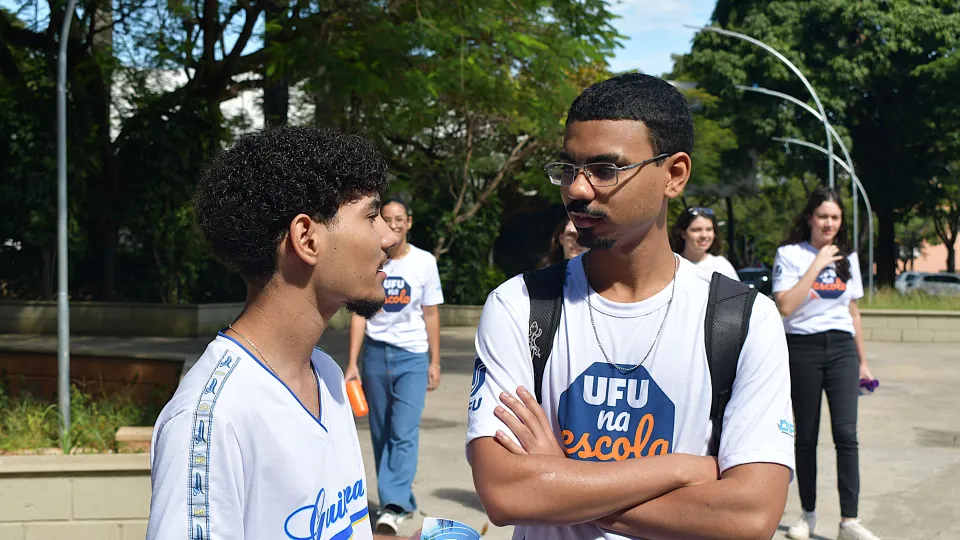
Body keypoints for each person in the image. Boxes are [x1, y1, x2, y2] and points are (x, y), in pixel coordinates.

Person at [465, 73, 795, 540]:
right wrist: (679, 469)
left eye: (605, 170)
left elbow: (749, 516)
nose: (577, 190)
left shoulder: (740, 320)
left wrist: (561, 481)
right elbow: (507, 494)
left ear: (674, 175)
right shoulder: (520, 305)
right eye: (569, 167)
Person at [146, 126, 419, 540]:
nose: (388, 236)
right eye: (371, 215)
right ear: (307, 238)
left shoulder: (326, 376)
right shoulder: (212, 419)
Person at [774, 186, 880, 540]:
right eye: (823, 216)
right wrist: (818, 264)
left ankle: (850, 521)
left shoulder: (847, 258)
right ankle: (808, 514)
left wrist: (863, 362)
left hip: (841, 350)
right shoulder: (790, 254)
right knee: (805, 437)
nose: (829, 223)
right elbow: (786, 306)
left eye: (835, 217)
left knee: (847, 435)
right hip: (802, 348)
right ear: (810, 219)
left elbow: (853, 312)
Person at [346, 199, 444, 534]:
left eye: (399, 218)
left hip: (412, 357)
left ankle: (393, 504)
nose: (393, 224)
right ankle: (400, 496)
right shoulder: (371, 260)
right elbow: (360, 315)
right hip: (375, 356)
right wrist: (352, 363)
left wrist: (434, 361)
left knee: (403, 431)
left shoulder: (424, 262)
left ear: (409, 222)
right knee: (380, 432)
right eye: (386, 219)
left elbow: (431, 314)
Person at [670, 206, 740, 282]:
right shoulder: (671, 266)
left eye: (709, 229)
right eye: (696, 230)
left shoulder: (722, 266)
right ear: (683, 233)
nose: (704, 235)